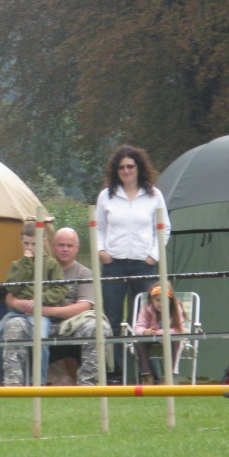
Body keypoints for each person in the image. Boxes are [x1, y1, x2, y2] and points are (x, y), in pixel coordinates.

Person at [0, 226, 111, 386]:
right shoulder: (35, 264)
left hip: (70, 324)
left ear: (77, 248)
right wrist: (19, 304)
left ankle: (88, 385)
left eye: (69, 246)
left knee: (99, 327)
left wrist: (41, 309)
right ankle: (13, 385)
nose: (65, 249)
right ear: (52, 245)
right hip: (31, 318)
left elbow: (84, 307)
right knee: (12, 326)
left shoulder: (84, 273)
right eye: (61, 245)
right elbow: (11, 293)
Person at [95, 145, 170, 383]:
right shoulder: (106, 196)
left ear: (139, 167)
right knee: (113, 318)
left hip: (143, 265)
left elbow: (164, 228)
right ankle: (116, 372)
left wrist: (153, 257)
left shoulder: (154, 195)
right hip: (113, 264)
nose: (126, 170)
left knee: (146, 319)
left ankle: (146, 372)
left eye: (130, 166)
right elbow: (99, 227)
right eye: (121, 167)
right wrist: (101, 251)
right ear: (115, 170)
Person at [0, 221, 66, 386]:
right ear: (21, 240)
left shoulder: (51, 264)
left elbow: (59, 290)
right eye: (26, 243)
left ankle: (39, 382)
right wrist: (26, 264)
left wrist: (38, 300)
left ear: (43, 242)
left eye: (34, 244)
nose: (30, 248)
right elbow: (12, 286)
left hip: (39, 311)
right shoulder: (17, 265)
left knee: (40, 340)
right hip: (16, 312)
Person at [132, 283, 185, 384]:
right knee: (138, 341)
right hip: (151, 337)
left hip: (170, 338)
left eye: (164, 300)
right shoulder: (146, 308)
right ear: (151, 300)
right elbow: (138, 326)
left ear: (170, 300)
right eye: (157, 300)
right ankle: (147, 375)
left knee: (176, 340)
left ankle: (168, 376)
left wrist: (162, 332)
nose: (161, 304)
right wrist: (145, 331)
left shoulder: (176, 308)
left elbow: (179, 329)